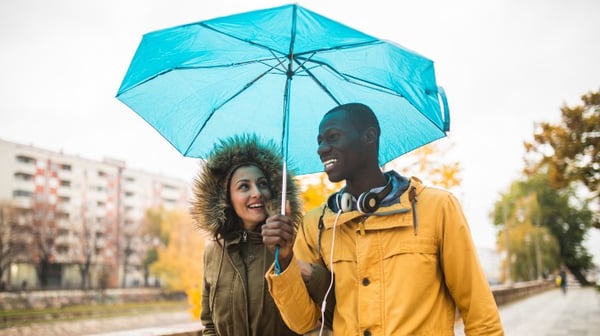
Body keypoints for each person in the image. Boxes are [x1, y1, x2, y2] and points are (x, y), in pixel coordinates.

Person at [262, 103, 504, 335]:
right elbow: (302, 322)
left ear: (369, 137)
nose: (322, 148)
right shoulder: (317, 224)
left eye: (333, 137)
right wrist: (285, 260)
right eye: (320, 141)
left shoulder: (437, 207)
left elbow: (479, 311)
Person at [191, 134, 331, 336]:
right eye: (244, 186)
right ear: (226, 197)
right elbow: (209, 324)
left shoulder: (295, 240)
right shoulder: (214, 251)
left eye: (262, 184)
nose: (256, 192)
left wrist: (292, 262)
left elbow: (330, 300)